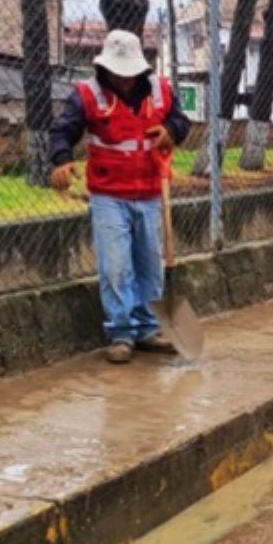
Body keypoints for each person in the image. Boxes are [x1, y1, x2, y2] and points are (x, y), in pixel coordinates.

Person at [49, 30, 192, 363]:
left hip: (150, 193)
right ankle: (121, 333)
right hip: (109, 196)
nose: (124, 80)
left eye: (130, 73)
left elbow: (181, 121)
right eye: (118, 73)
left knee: (149, 266)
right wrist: (61, 159)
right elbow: (62, 130)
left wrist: (171, 132)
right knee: (116, 266)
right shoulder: (87, 94)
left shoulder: (160, 90)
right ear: (106, 68)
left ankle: (146, 328)